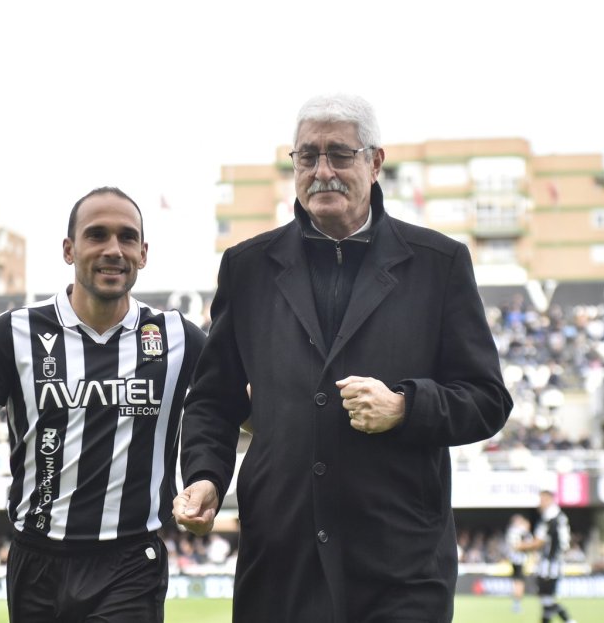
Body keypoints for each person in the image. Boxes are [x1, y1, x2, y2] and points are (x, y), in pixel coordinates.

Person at [175, 94, 513, 622]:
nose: (322, 171)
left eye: (340, 154)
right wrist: (204, 475)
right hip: (280, 562)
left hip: (400, 567)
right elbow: (212, 401)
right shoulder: (246, 268)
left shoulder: (439, 264)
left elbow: (488, 399)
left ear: (375, 163)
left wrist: (405, 406)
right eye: (307, 156)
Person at [0, 187, 206, 623]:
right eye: (97, 235)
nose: (114, 249)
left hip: (130, 561)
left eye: (127, 238)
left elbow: (244, 413)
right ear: (69, 249)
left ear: (143, 253)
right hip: (37, 564)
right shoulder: (15, 334)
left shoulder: (177, 337)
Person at [520, 489, 575, 623]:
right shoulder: (559, 516)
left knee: (546, 597)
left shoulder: (550, 518)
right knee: (546, 598)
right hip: (554, 562)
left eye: (542, 500)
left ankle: (569, 620)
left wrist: (520, 546)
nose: (540, 503)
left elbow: (538, 542)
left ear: (549, 499)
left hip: (550, 564)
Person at [506, 513, 532, 614]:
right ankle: (517, 604)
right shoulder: (521, 532)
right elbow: (527, 544)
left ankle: (516, 603)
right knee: (519, 582)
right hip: (519, 560)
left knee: (516, 581)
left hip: (514, 559)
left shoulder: (511, 531)